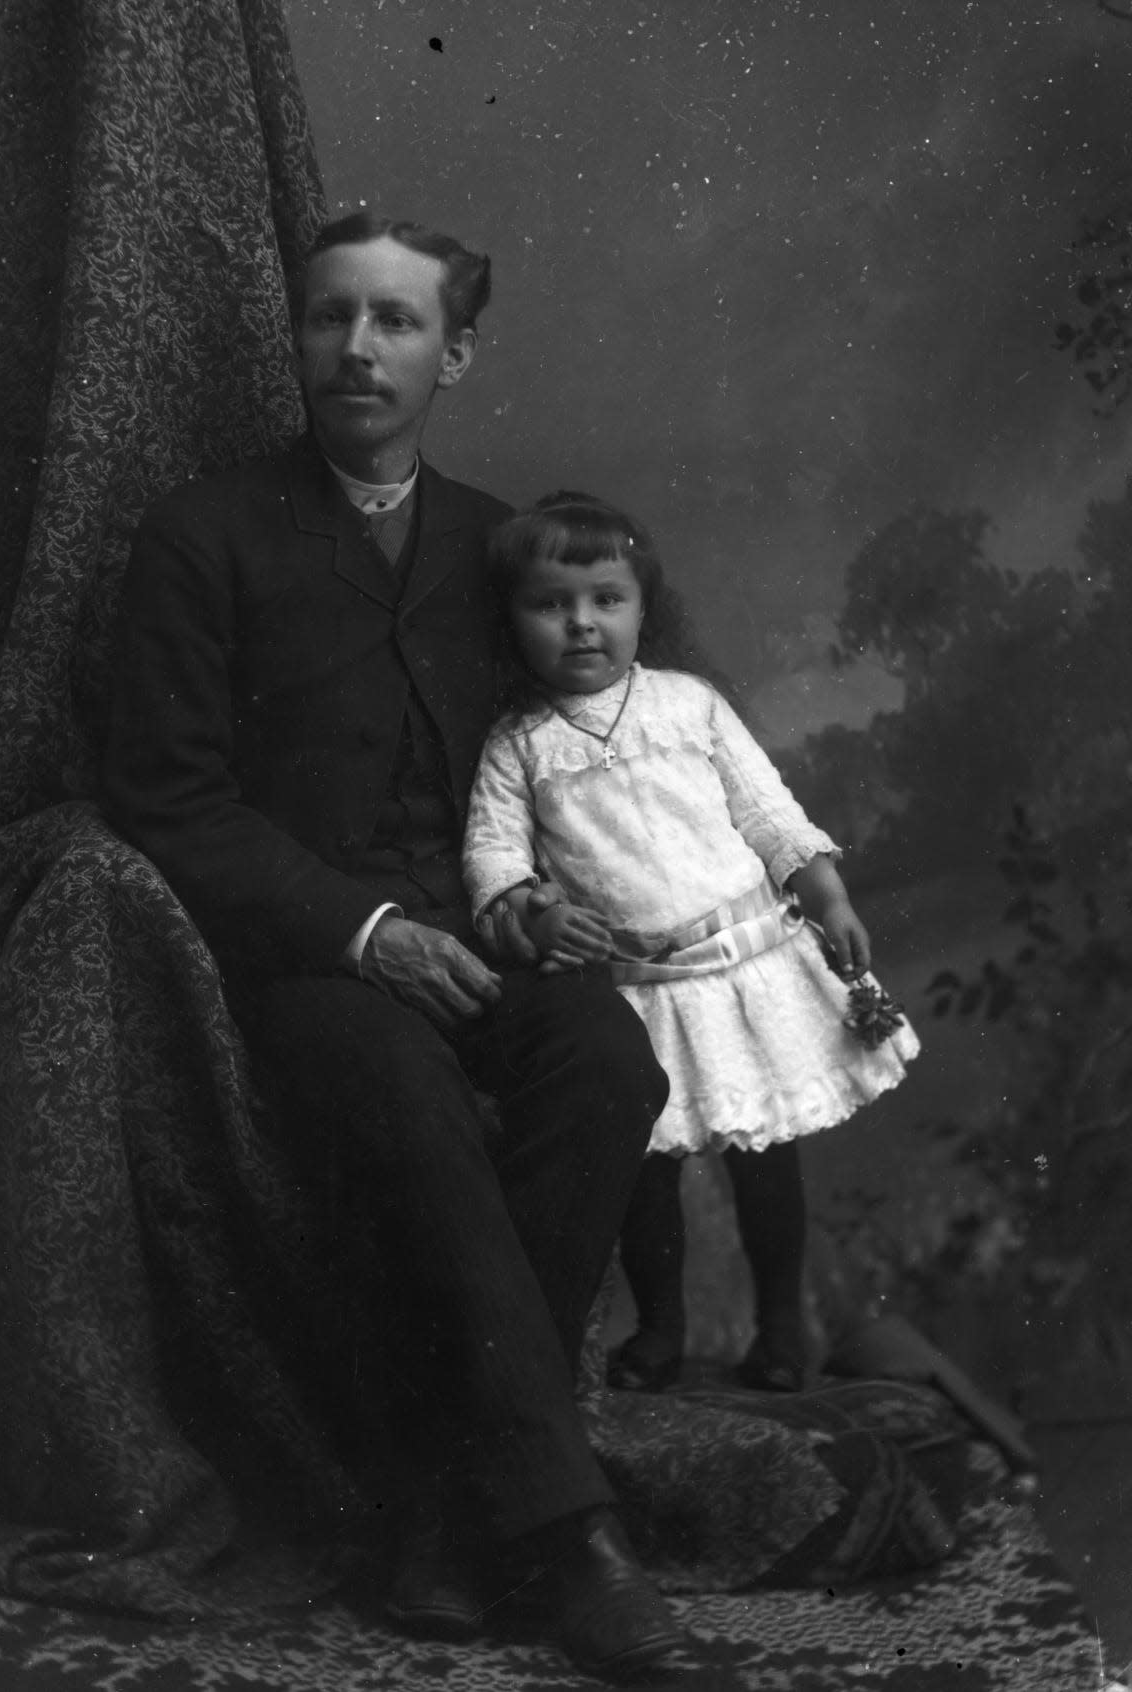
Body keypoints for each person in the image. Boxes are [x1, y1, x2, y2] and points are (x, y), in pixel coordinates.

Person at [102, 215, 686, 1680]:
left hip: (483, 928)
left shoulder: (504, 546)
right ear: (297, 338)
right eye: (331, 319)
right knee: (404, 1091)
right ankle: (567, 1537)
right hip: (308, 953)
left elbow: (581, 749)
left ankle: (439, 1510)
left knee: (609, 1059)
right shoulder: (205, 533)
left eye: (398, 323)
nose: (359, 350)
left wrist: (540, 898)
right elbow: (165, 793)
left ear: (456, 352)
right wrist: (363, 932)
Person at [461, 491, 921, 1399]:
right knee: (647, 1175)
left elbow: (767, 810)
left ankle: (783, 1323)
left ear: (643, 605)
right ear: (513, 619)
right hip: (636, 988)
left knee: (765, 1155)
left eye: (606, 598)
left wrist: (824, 894)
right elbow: (491, 856)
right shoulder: (518, 747)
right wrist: (530, 910)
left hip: (746, 965)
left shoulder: (690, 706)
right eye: (552, 605)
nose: (582, 623)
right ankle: (661, 1329)